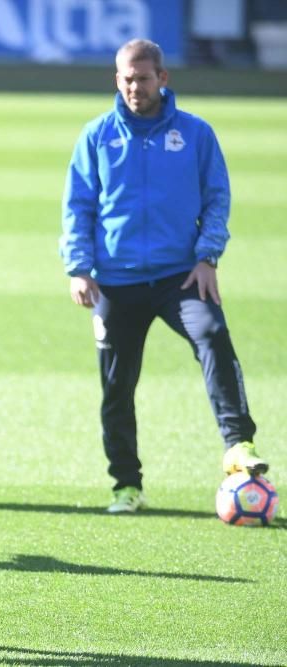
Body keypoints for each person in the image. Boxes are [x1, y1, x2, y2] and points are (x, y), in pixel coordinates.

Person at [60, 38, 267, 514]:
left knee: (213, 334)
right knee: (117, 385)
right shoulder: (96, 136)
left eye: (144, 78)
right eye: (127, 79)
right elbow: (78, 206)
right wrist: (78, 268)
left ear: (163, 79)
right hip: (115, 280)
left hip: (181, 276)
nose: (135, 87)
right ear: (117, 80)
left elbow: (217, 198)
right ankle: (126, 485)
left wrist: (207, 257)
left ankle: (238, 444)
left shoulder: (195, 134)